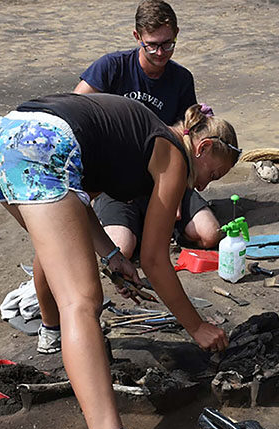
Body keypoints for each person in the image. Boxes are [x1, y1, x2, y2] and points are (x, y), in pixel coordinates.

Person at [0, 93, 240, 429]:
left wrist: (111, 256)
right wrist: (196, 327)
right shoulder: (171, 156)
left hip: (4, 140)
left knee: (67, 273)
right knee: (82, 301)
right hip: (43, 145)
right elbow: (154, 260)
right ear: (201, 149)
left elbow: (78, 207)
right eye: (213, 174)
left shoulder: (137, 136)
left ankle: (53, 337)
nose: (206, 183)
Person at [73, 0, 220, 259]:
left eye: (167, 44)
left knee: (210, 235)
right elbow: (75, 114)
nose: (161, 53)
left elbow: (186, 140)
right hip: (116, 182)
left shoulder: (182, 79)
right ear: (137, 36)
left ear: (176, 34)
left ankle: (157, 227)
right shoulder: (111, 68)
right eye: (152, 45)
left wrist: (174, 193)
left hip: (164, 176)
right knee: (121, 250)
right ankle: (133, 226)